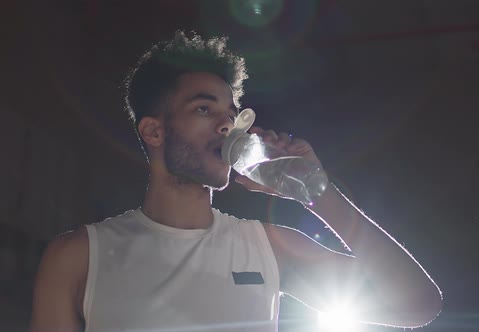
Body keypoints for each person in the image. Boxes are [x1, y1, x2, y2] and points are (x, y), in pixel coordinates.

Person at [29, 31, 442, 332]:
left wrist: (317, 192)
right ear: (154, 132)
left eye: (231, 111)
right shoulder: (78, 255)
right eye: (205, 109)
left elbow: (416, 306)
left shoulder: (269, 247)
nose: (228, 123)